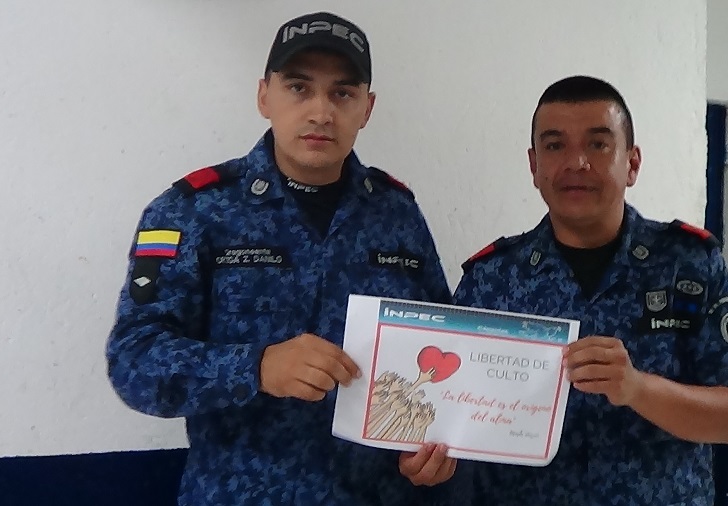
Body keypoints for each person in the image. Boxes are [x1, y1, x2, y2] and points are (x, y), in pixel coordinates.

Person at [106, 11, 468, 506]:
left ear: (367, 108)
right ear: (264, 96)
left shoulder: (396, 213)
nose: (321, 112)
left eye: (342, 93)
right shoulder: (193, 211)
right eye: (299, 88)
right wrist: (255, 366)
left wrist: (428, 451)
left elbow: (441, 348)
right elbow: (134, 361)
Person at [454, 75, 728, 505]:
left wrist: (637, 388)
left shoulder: (689, 265)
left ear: (632, 163)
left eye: (598, 144)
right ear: (534, 166)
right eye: (555, 145)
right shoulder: (491, 278)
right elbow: (452, 412)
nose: (576, 162)